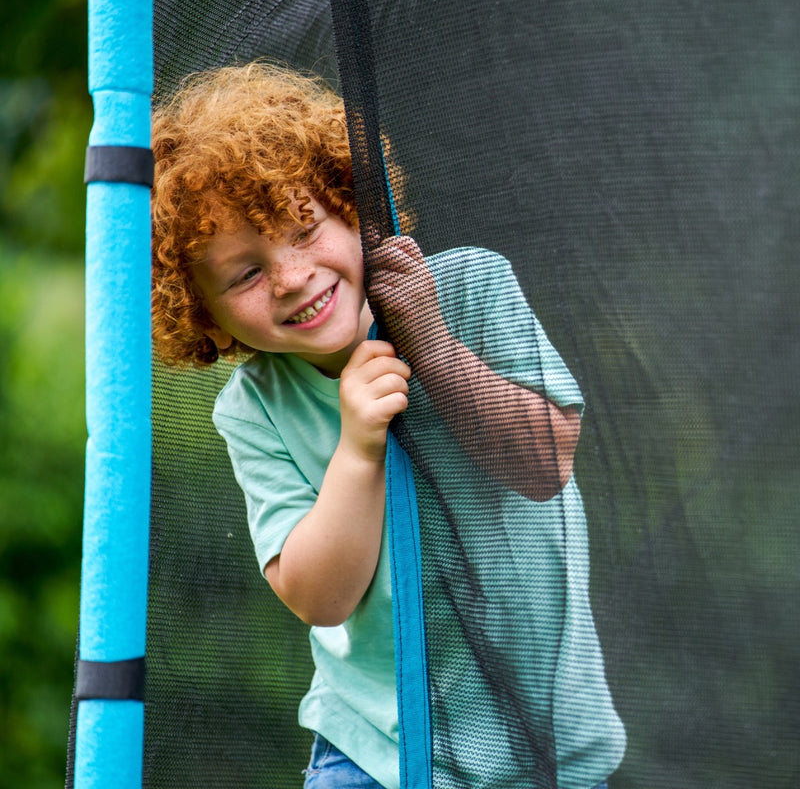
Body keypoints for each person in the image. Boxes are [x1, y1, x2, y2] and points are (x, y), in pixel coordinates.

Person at [151, 61, 625, 788]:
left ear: (350, 203)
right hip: (376, 750)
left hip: (548, 742)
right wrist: (357, 448)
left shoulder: (467, 287)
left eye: (304, 229)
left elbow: (545, 462)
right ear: (203, 313)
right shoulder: (254, 405)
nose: (289, 276)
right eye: (244, 274)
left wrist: (431, 348)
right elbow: (319, 597)